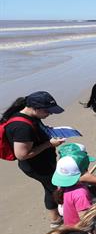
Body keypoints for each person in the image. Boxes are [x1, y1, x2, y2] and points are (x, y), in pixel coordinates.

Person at [1, 91, 65, 227]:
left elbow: (35, 131)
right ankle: (63, 215)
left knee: (50, 189)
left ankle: (55, 219)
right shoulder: (21, 127)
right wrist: (49, 144)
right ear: (36, 108)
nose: (50, 114)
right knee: (56, 189)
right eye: (48, 111)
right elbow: (22, 155)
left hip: (42, 162)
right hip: (37, 167)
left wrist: (47, 131)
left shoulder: (30, 115)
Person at [51, 151, 93, 226]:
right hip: (79, 229)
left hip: (69, 226)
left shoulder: (64, 186)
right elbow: (86, 219)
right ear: (84, 170)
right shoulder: (80, 193)